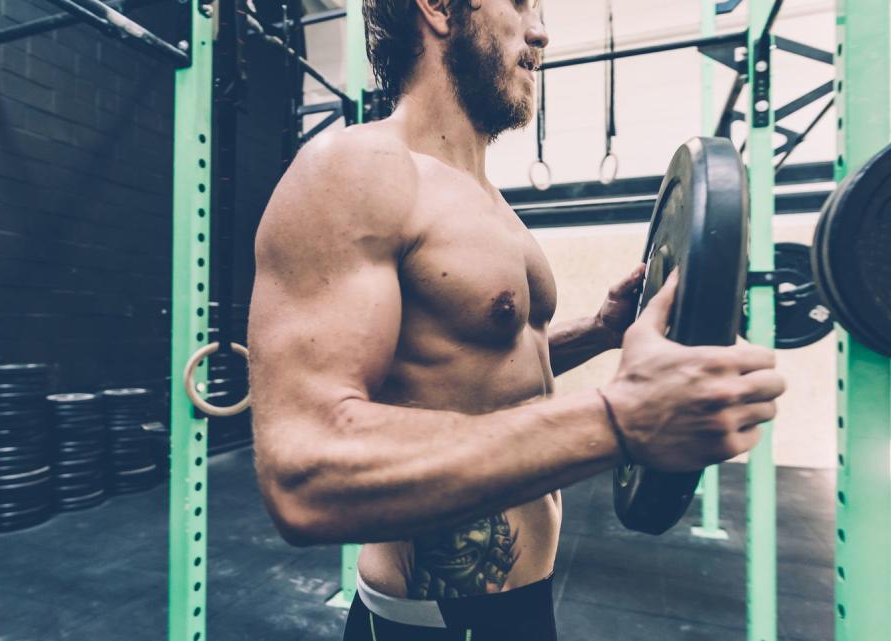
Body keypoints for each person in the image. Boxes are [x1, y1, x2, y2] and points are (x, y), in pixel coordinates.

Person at [246, 1, 786, 639]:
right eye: (520, 3)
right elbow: (305, 474)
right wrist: (619, 417)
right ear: (439, 8)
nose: (541, 31)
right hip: (434, 622)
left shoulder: (486, 197)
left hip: (520, 605)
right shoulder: (357, 168)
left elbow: (473, 372)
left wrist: (598, 333)